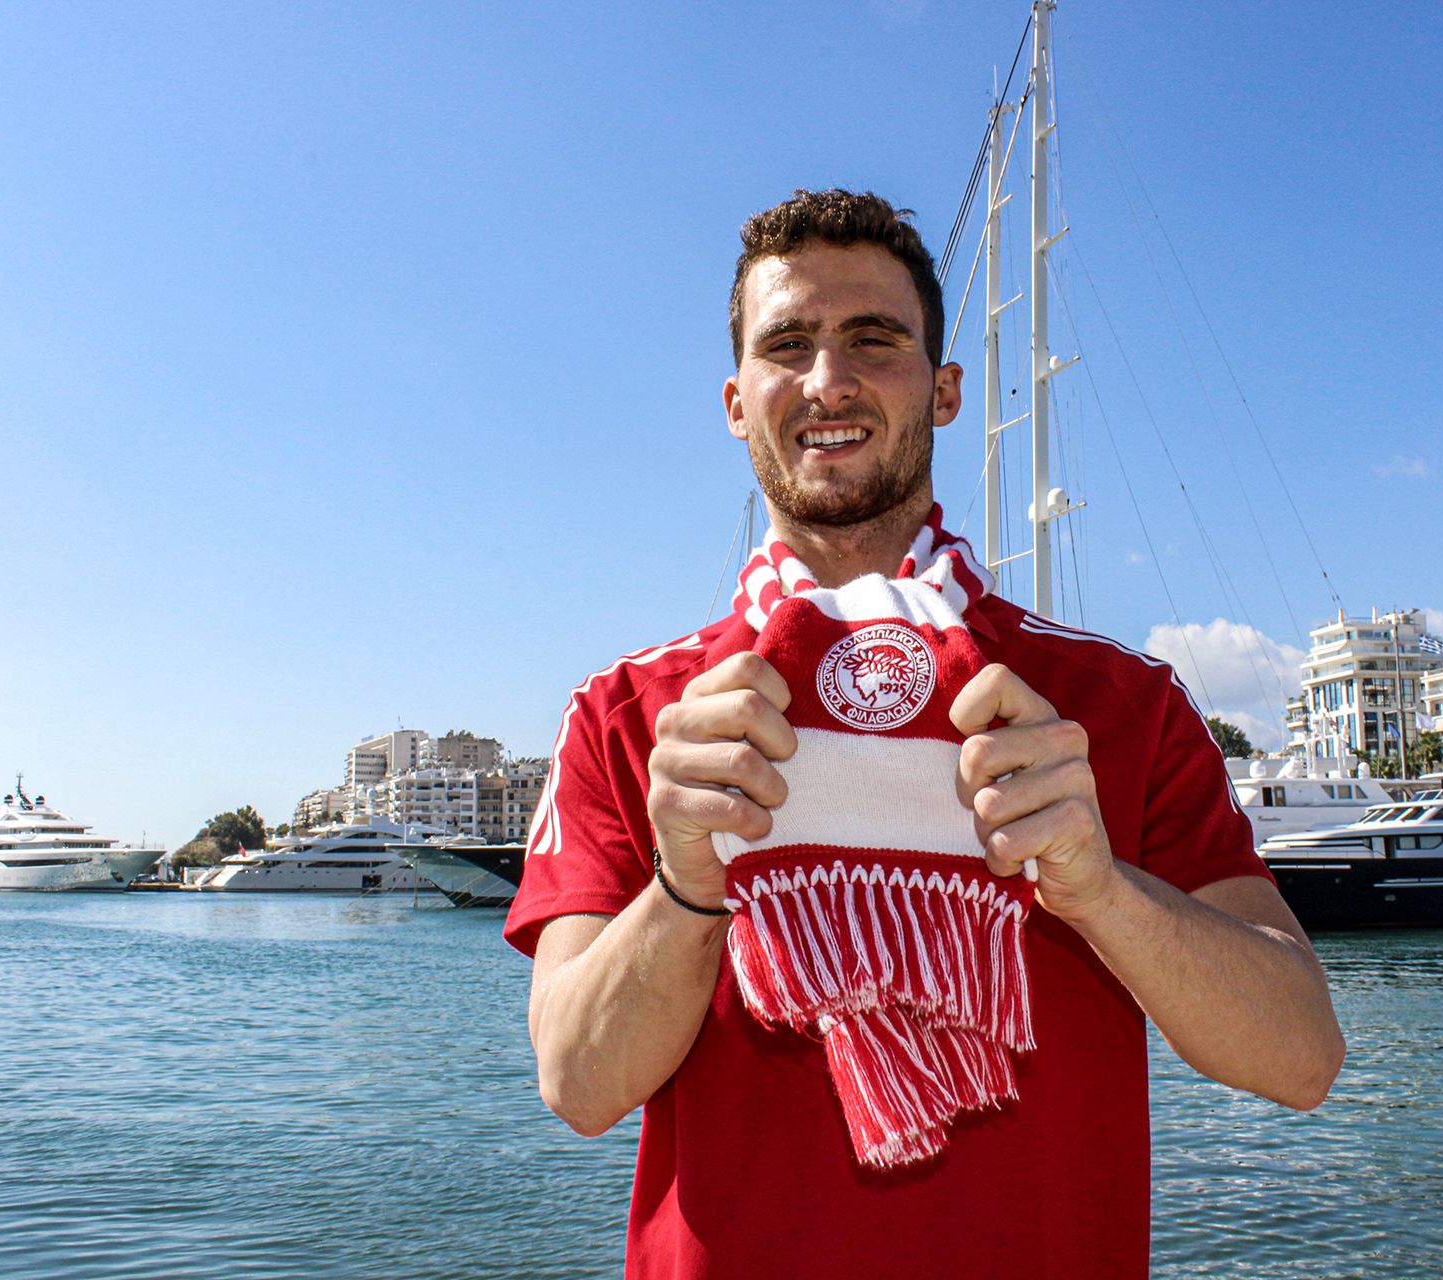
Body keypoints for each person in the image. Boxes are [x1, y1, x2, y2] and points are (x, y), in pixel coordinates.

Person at [507, 189, 1345, 1279]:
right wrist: (686, 883)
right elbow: (577, 1083)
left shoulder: (1120, 702)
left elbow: (1302, 1057)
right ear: (736, 402)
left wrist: (1100, 890)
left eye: (874, 340)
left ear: (945, 390)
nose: (829, 380)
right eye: (788, 345)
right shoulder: (634, 716)